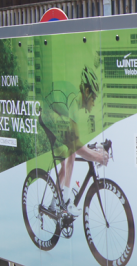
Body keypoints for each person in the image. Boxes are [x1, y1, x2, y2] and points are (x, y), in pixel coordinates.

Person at [42, 65, 109, 217]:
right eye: (94, 97)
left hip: (53, 111)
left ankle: (54, 205)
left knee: (66, 160)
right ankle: (65, 202)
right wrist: (97, 156)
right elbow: (77, 146)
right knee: (71, 152)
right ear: (86, 92)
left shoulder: (75, 104)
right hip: (47, 114)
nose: (94, 102)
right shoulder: (73, 103)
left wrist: (93, 150)